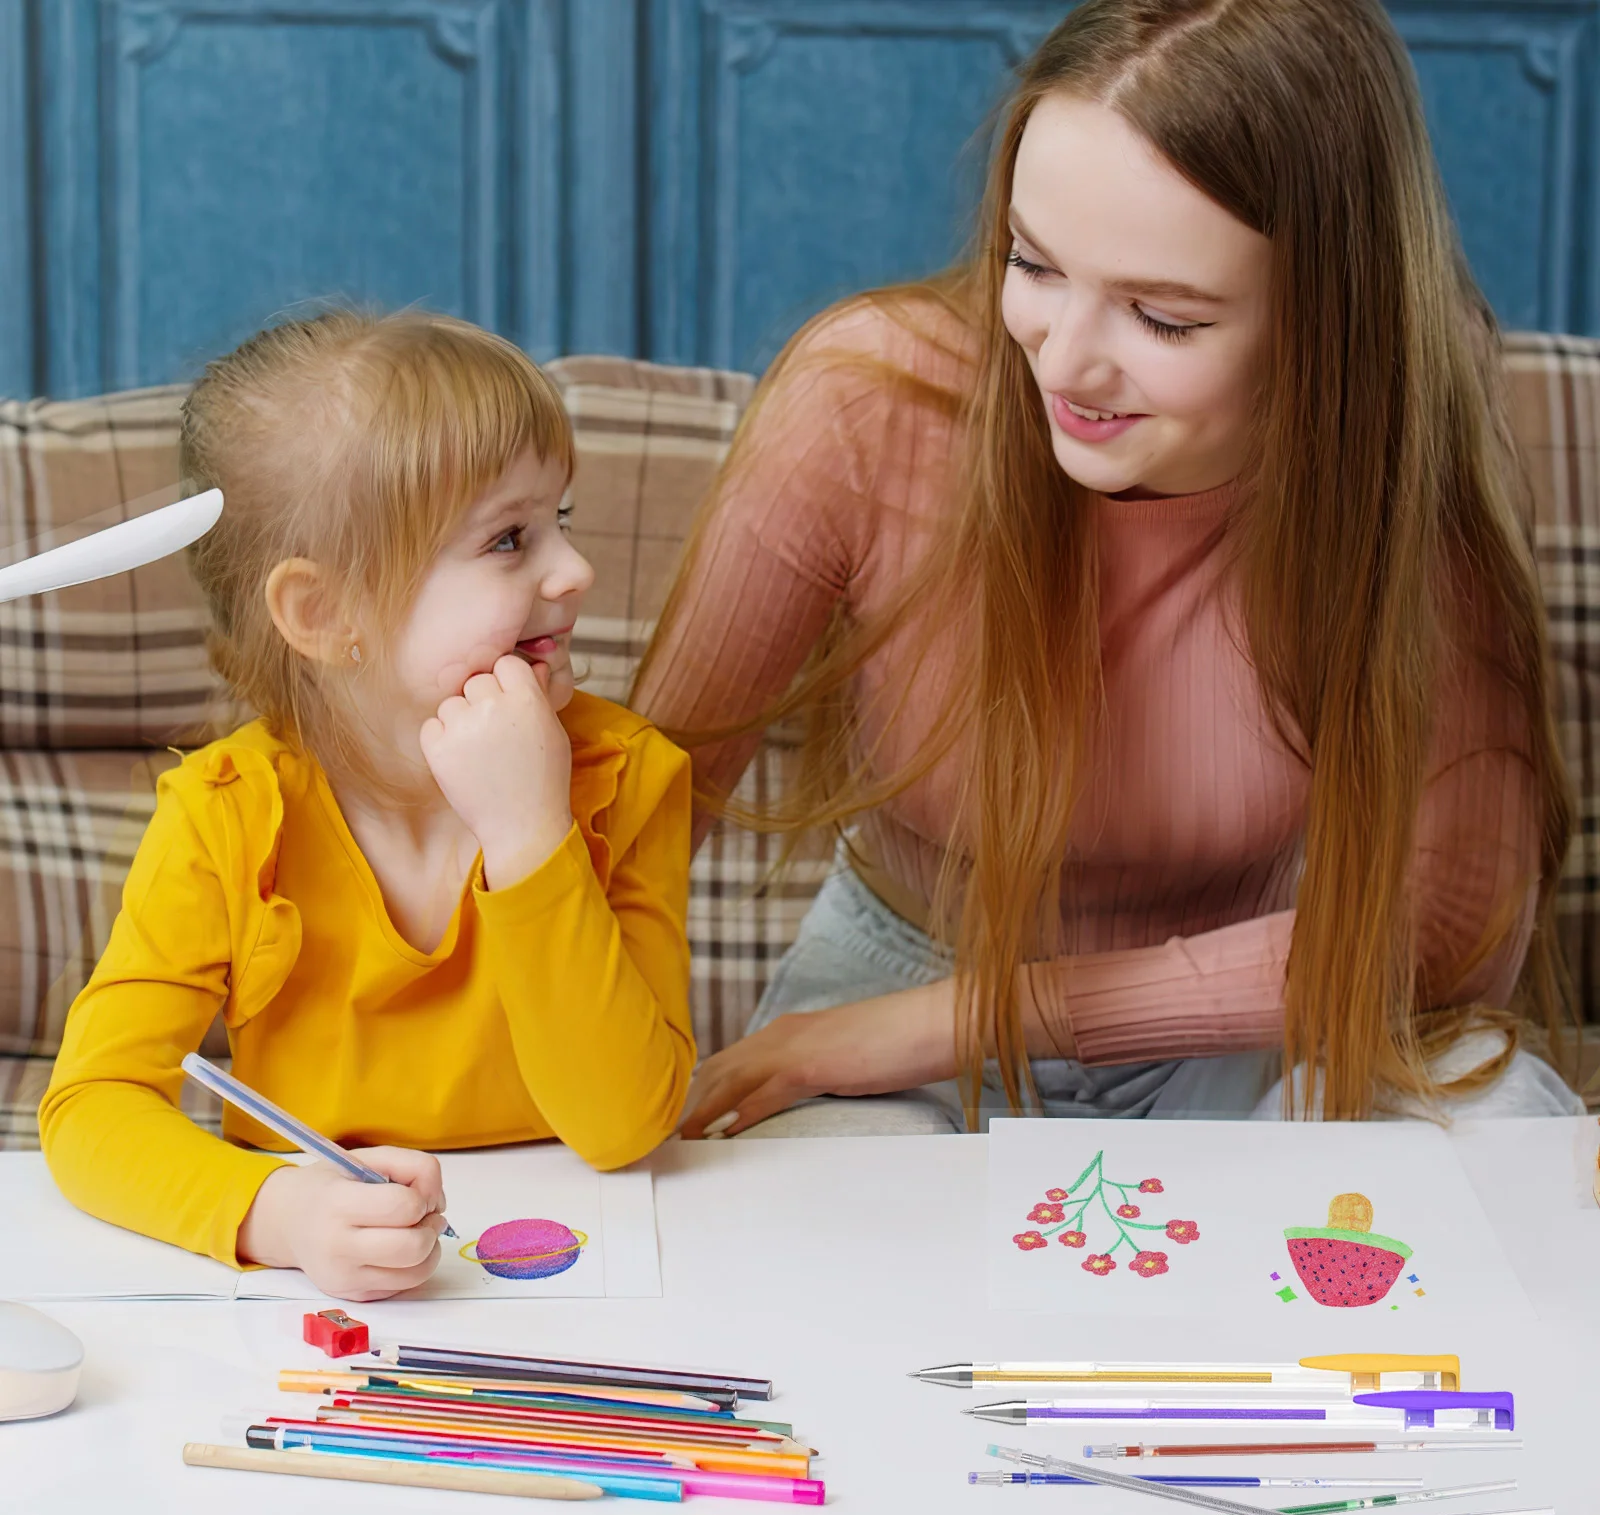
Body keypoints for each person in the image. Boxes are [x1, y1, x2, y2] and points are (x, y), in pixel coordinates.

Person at [632, 0, 1585, 1137]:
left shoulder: (1394, 474)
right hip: (891, 979)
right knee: (824, 1258)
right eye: (1031, 264)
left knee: (1497, 1135)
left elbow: (1441, 933)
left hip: (1251, 1017)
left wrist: (984, 1015)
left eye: (1161, 318)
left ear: (1325, 324)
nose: (1064, 360)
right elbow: (647, 804)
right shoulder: (866, 400)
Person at [40, 311, 695, 1298]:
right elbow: (92, 1105)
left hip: (587, 1266)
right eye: (509, 539)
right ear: (325, 613)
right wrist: (277, 1213)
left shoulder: (624, 775)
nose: (573, 571)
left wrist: (528, 833)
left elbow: (624, 1121)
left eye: (559, 519)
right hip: (313, 1292)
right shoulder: (224, 813)